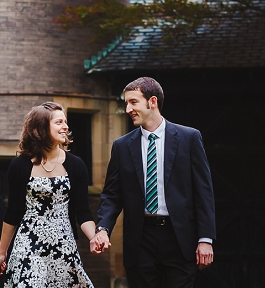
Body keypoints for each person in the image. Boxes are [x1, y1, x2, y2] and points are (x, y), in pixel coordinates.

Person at [91, 77, 216, 288]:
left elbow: (203, 193)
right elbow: (112, 195)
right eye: (126, 103)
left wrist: (205, 239)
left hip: (179, 239)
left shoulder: (189, 138)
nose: (128, 108)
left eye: (133, 102)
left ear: (153, 101)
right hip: (140, 241)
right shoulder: (121, 146)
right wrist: (102, 228)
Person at [0, 102, 97, 287]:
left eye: (65, 122)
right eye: (59, 122)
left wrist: (94, 237)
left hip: (63, 246)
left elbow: (83, 212)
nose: (65, 126)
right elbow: (13, 213)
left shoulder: (76, 165)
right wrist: (2, 253)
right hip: (28, 245)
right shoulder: (19, 166)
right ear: (41, 128)